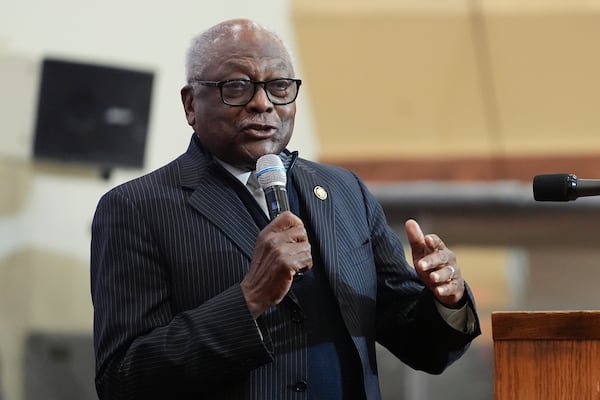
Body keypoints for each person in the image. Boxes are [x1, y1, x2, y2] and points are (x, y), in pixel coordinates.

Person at [90, 18, 481, 400]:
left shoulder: (346, 192)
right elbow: (123, 379)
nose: (262, 103)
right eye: (237, 87)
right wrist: (249, 298)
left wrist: (447, 300)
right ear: (191, 104)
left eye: (278, 86)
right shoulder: (136, 207)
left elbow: (423, 347)